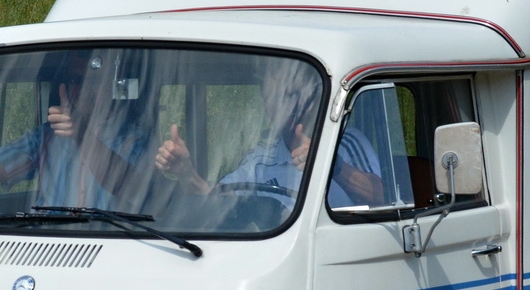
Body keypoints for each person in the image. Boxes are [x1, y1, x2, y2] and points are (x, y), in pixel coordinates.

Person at [0, 51, 148, 214]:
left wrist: (83, 136)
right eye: (76, 80)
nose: (84, 90)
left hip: (110, 246)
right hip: (45, 240)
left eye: (93, 81)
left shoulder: (135, 139)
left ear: (110, 85)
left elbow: (131, 189)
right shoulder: (46, 136)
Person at [154, 87, 383, 209]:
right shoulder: (261, 158)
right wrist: (186, 172)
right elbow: (215, 199)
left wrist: (330, 163)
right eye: (276, 98)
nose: (287, 106)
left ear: (313, 98)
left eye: (293, 95)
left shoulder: (345, 143)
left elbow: (383, 197)